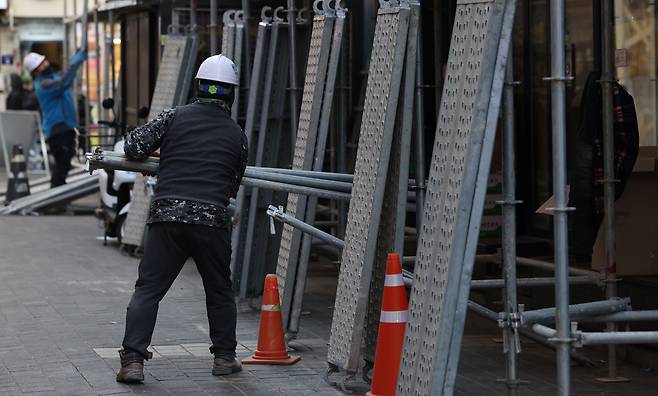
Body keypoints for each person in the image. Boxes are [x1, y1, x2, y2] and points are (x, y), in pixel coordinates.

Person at [116, 54, 248, 384]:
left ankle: (133, 361)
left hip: (167, 218)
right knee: (219, 290)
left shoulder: (174, 118)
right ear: (231, 93)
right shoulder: (237, 136)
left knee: (148, 290)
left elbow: (132, 147)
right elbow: (232, 183)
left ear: (198, 86)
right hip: (211, 222)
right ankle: (224, 358)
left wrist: (165, 152)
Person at [23, 50, 87, 187]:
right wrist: (74, 64)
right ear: (36, 71)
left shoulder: (52, 78)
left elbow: (64, 77)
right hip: (58, 129)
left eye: (44, 61)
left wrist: (72, 64)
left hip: (64, 127)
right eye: (41, 64)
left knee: (63, 165)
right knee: (61, 166)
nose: (46, 64)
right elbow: (63, 83)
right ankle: (56, 202)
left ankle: (58, 200)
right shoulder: (44, 84)